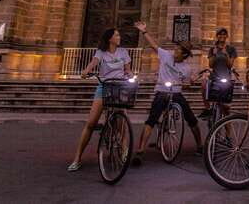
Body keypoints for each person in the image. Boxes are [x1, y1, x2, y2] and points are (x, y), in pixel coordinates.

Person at [131, 21, 203, 166]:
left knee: (191, 118)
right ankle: (140, 150)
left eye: (178, 49)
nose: (175, 50)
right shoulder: (165, 56)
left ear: (184, 54)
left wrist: (192, 81)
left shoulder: (186, 68)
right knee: (151, 119)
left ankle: (200, 146)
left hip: (176, 93)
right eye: (176, 47)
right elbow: (154, 45)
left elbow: (187, 83)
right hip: (162, 91)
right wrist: (144, 31)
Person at [67, 28, 133, 172]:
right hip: (104, 87)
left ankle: (124, 151)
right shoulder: (101, 52)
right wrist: (85, 71)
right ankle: (77, 158)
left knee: (123, 121)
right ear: (109, 38)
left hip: (120, 87)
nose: (119, 37)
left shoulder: (123, 52)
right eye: (116, 35)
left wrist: (130, 74)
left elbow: (127, 69)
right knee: (91, 123)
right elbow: (93, 63)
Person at [198, 27, 237, 119]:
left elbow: (230, 65)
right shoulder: (212, 49)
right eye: (220, 34)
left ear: (227, 36)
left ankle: (228, 131)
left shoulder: (231, 49)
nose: (222, 36)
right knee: (204, 85)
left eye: (224, 34)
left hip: (225, 78)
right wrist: (215, 54)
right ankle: (208, 108)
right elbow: (211, 65)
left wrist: (226, 54)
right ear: (217, 36)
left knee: (225, 109)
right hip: (214, 77)